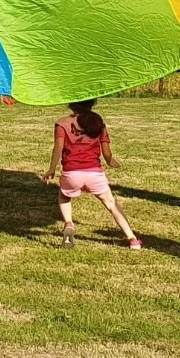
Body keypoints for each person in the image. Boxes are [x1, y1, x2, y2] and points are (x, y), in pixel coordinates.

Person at [41, 99, 140, 250]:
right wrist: (109, 160)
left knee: (64, 196)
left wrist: (51, 169)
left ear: (70, 104)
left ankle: (69, 223)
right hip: (94, 173)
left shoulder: (62, 123)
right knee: (111, 204)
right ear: (92, 103)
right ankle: (132, 238)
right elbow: (106, 151)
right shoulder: (97, 121)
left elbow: (58, 148)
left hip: (71, 173)